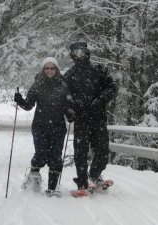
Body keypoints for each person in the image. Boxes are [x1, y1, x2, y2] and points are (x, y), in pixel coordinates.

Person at [63, 41, 117, 192]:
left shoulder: (99, 70)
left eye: (83, 52)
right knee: (80, 152)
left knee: (102, 150)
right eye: (77, 53)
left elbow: (112, 87)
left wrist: (100, 100)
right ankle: (82, 182)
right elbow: (64, 98)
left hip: (98, 118)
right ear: (72, 55)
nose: (80, 55)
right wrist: (69, 112)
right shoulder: (68, 75)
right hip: (81, 120)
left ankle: (94, 175)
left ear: (87, 53)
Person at [14, 57, 70, 197]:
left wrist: (71, 113)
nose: (49, 70)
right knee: (40, 155)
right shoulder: (37, 85)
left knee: (56, 157)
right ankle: (33, 181)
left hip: (58, 127)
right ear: (43, 70)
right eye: (47, 68)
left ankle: (52, 188)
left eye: (52, 68)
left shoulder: (63, 85)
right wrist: (20, 100)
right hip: (40, 126)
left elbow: (68, 105)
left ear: (56, 70)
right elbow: (29, 105)